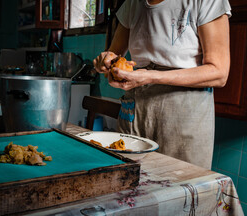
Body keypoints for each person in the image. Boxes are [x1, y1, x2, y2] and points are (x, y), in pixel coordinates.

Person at [93, 0, 231, 169]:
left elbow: (219, 73)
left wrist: (151, 77)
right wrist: (105, 62)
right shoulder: (133, 3)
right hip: (136, 109)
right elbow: (113, 55)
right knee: (127, 181)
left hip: (183, 113)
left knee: (180, 185)